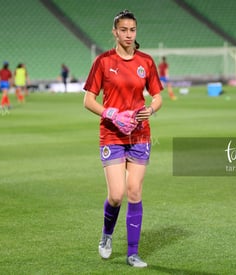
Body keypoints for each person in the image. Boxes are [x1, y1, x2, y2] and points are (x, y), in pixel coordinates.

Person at [83, 9, 163, 268]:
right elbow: (88, 100)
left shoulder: (146, 62)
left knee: (135, 192)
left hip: (140, 134)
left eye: (132, 30)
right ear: (115, 32)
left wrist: (150, 109)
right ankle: (107, 235)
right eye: (124, 30)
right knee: (117, 195)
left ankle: (133, 253)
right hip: (112, 134)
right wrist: (111, 113)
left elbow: (158, 96)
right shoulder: (103, 62)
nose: (129, 35)